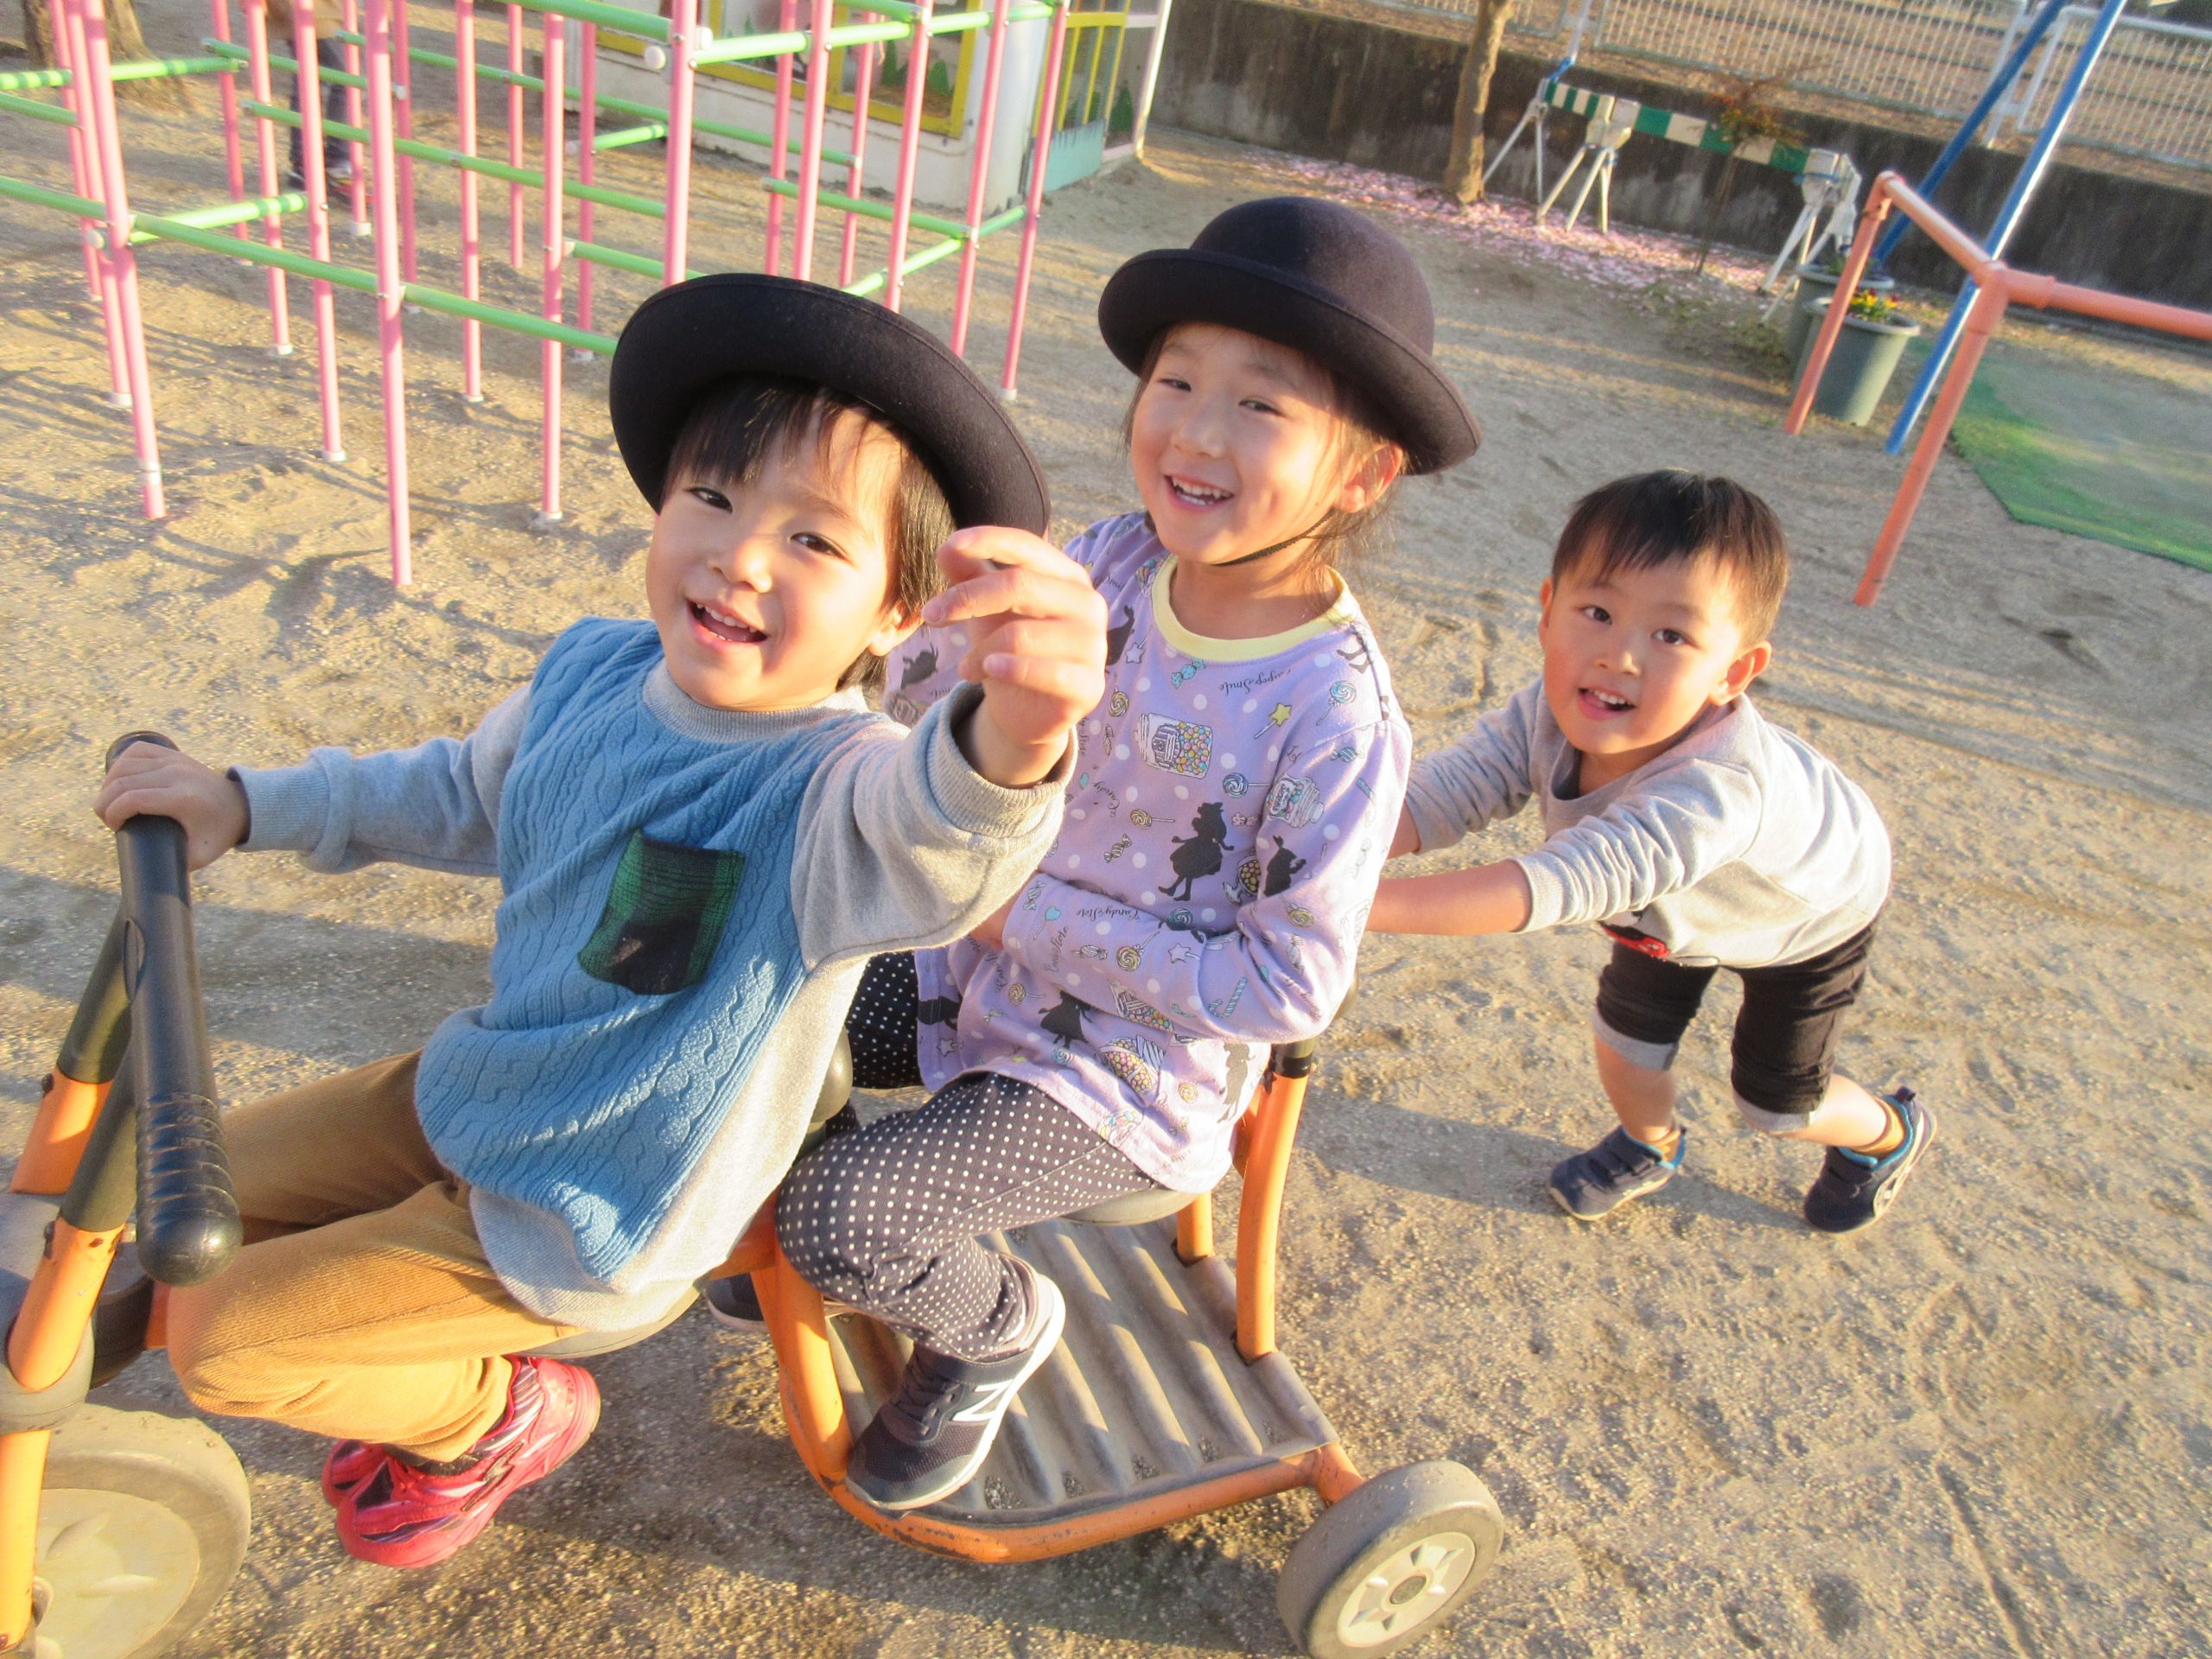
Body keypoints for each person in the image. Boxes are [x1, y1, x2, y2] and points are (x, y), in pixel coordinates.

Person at [91, 274, 1104, 1567]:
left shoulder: (836, 792)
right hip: (481, 1089)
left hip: (589, 1210)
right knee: (144, 1187)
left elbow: (942, 837)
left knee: (222, 1341)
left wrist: (1020, 733)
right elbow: (457, 791)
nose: (741, 555)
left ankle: (491, 1420)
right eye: (714, 497)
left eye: (814, 541)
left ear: (897, 612)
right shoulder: (591, 672)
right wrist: (244, 802)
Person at [768, 197, 1482, 1513]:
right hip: (971, 971)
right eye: (1177, 382)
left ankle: (994, 1329)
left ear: (1364, 475)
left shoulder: (1333, 714)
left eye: (1261, 406)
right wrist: (894, 623)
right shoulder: (1107, 559)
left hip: (1127, 1072)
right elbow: (937, 688)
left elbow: (1287, 987)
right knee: (763, 990)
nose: (1197, 432)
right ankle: (761, 1207)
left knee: (842, 1216)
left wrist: (1016, 914)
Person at [1369, 470, 1930, 1233]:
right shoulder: (1547, 709)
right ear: (1547, 613)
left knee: (1775, 1103)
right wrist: (1320, 843)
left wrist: (1346, 900)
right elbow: (1446, 792)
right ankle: (1652, 1143)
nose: (1620, 656)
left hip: (1807, 916)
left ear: (1733, 673)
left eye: (1671, 636)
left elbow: (1565, 881)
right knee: (1624, 1048)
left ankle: (1890, 1132)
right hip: (1670, 916)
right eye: (1598, 613)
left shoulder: (1717, 790)